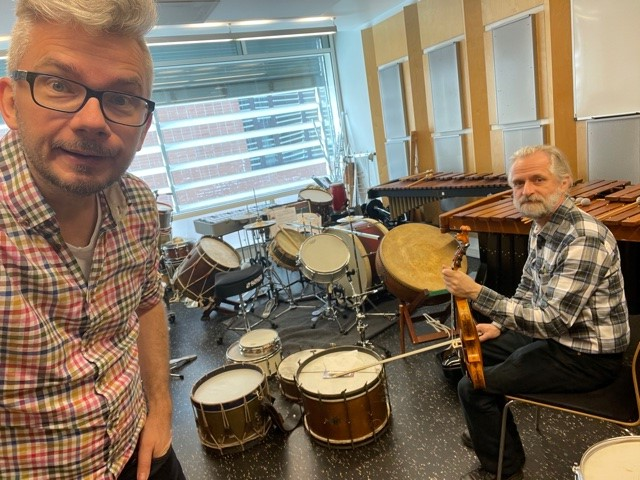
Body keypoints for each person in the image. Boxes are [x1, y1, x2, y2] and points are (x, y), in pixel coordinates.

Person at [0, 0, 185, 478]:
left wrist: (161, 408)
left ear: (144, 125)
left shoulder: (138, 203)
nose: (91, 121)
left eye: (122, 98)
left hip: (143, 453)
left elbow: (148, 303)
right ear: (11, 101)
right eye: (60, 85)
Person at [441, 145, 630, 480]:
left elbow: (552, 322)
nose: (526, 190)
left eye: (537, 179)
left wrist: (476, 293)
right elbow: (528, 287)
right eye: (518, 183)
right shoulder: (542, 224)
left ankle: (503, 469)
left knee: (472, 387)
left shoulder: (583, 238)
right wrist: (498, 326)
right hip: (558, 336)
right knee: (470, 354)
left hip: (586, 356)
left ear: (564, 183)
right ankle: (491, 431)